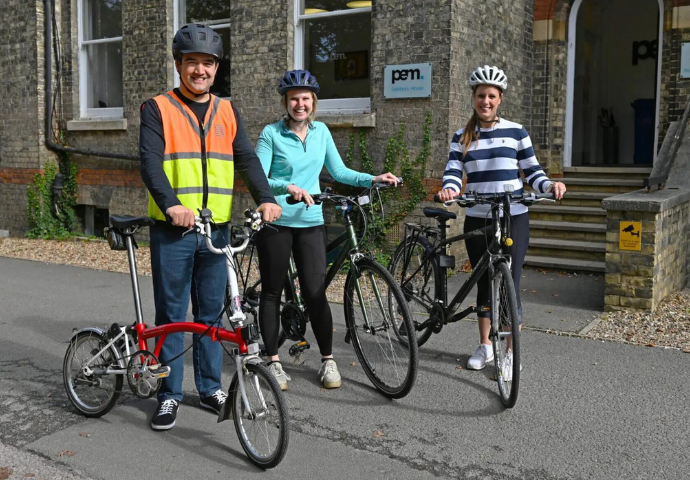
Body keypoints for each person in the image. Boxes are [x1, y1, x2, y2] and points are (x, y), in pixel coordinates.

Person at [139, 23, 282, 431]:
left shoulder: (226, 109)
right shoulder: (158, 108)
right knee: (171, 314)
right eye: (191, 62)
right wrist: (170, 206)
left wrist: (266, 198)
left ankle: (207, 387)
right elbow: (151, 164)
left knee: (210, 315)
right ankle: (168, 394)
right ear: (179, 65)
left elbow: (248, 160)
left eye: (207, 63)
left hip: (216, 230)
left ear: (216, 68)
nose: (199, 70)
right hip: (174, 230)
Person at [254, 69, 399, 390]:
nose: (300, 104)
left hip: (311, 222)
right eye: (294, 99)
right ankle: (274, 362)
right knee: (272, 292)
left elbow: (339, 171)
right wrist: (288, 187)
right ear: (286, 102)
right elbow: (259, 177)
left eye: (305, 99)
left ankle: (328, 360)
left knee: (316, 294)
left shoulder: (321, 133)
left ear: (313, 102)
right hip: (276, 222)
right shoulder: (271, 134)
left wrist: (374, 178)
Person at [438, 65, 566, 375]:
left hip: (514, 218)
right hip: (478, 218)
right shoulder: (462, 136)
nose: (485, 101)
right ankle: (485, 346)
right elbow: (454, 171)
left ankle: (509, 353)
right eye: (480, 95)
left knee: (510, 284)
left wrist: (549, 186)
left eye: (491, 96)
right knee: (483, 282)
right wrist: (450, 189)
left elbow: (532, 171)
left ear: (500, 99)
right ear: (474, 98)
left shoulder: (517, 131)